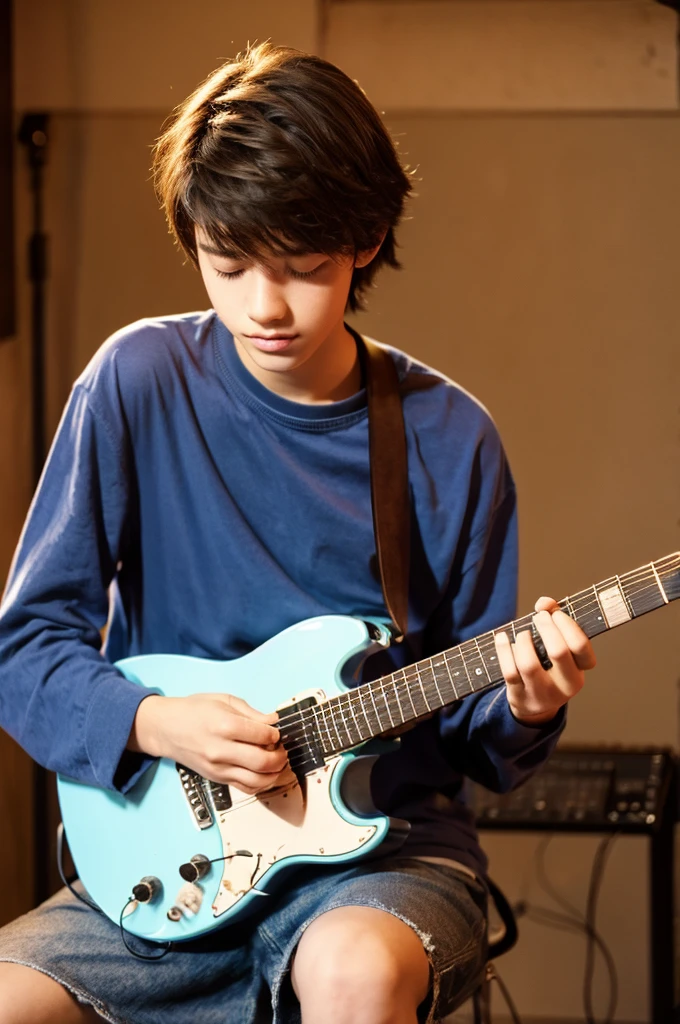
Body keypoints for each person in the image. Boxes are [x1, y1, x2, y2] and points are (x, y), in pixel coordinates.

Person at [0, 42, 595, 1024]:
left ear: (364, 239)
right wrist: (154, 721)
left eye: (301, 268)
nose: (262, 306)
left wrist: (525, 705)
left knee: (347, 976)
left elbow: (472, 743)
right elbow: (23, 649)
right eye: (226, 264)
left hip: (382, 858)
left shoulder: (449, 438)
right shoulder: (133, 382)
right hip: (169, 856)